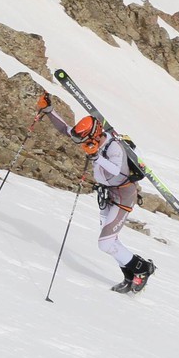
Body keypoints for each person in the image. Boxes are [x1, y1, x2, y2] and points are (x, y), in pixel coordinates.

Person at [36, 94, 156, 293]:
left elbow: (116, 170)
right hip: (108, 194)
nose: (81, 142)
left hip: (123, 197)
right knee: (110, 241)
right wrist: (49, 111)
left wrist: (95, 156)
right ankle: (129, 275)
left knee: (105, 243)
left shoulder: (114, 147)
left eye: (85, 139)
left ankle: (143, 268)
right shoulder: (90, 139)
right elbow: (67, 131)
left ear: (94, 135)